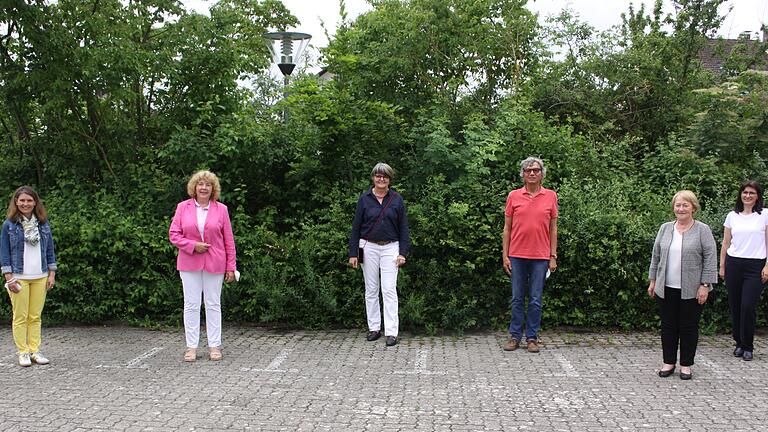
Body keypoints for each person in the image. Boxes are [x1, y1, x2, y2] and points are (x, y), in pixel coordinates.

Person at [648, 190, 717, 380]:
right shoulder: (665, 228)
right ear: (673, 208)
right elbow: (656, 256)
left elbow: (710, 258)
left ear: (693, 207)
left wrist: (705, 285)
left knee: (688, 327)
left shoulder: (702, 230)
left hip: (692, 288)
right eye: (678, 205)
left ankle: (686, 364)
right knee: (668, 326)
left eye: (685, 205)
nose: (681, 208)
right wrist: (653, 280)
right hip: (666, 286)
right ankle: (668, 362)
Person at [169, 170, 236, 362]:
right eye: (200, 184)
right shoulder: (183, 207)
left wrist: (231, 266)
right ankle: (192, 347)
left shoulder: (221, 209)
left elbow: (229, 240)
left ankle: (214, 346)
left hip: (215, 262)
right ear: (194, 187)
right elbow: (174, 234)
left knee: (213, 304)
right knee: (191, 305)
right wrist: (192, 246)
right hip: (189, 262)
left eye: (208, 184)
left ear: (213, 188)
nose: (204, 187)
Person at [348, 163, 410, 347]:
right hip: (368, 247)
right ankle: (374, 328)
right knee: (371, 289)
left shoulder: (397, 200)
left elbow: (404, 229)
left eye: (385, 176)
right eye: (378, 176)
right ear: (373, 178)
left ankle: (392, 332)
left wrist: (402, 253)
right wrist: (354, 253)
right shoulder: (364, 199)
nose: (381, 179)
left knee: (389, 289)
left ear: (389, 179)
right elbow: (356, 228)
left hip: (391, 247)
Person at [502, 157, 558, 353]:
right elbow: (507, 228)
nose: (532, 173)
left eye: (535, 170)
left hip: (541, 257)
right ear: (523, 174)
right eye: (528, 170)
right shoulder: (513, 196)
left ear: (542, 173)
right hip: (516, 255)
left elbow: (553, 228)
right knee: (517, 298)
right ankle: (515, 336)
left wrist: (553, 256)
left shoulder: (551, 196)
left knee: (535, 299)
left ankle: (532, 338)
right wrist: (505, 255)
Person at [1, 186, 57, 367]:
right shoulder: (9, 225)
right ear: (16, 202)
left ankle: (35, 350)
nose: (25, 204)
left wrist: (52, 273)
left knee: (35, 316)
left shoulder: (43, 223)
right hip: (18, 276)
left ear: (35, 202)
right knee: (20, 316)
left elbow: (50, 250)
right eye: (22, 200)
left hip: (40, 276)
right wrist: (9, 278)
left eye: (29, 200)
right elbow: (5, 252)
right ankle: (23, 352)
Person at [719, 180, 768, 362]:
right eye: (745, 192)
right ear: (741, 194)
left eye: (752, 193)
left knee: (748, 305)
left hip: (755, 266)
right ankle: (738, 343)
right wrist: (722, 265)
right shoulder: (732, 216)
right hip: (734, 264)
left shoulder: (765, 215)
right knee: (735, 305)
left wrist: (767, 266)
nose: (748, 196)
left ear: (757, 196)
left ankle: (748, 346)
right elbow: (726, 242)